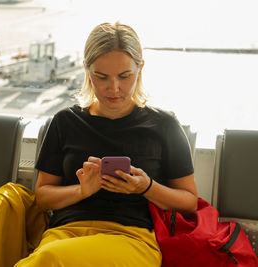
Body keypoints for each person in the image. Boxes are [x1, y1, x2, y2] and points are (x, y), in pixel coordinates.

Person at [15, 22, 198, 267]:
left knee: (47, 260)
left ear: (140, 69)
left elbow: (189, 202)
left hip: (132, 237)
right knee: (51, 256)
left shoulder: (163, 125)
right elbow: (43, 198)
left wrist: (146, 187)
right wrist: (81, 191)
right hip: (66, 233)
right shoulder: (65, 122)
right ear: (87, 71)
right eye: (101, 77)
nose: (114, 88)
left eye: (125, 76)